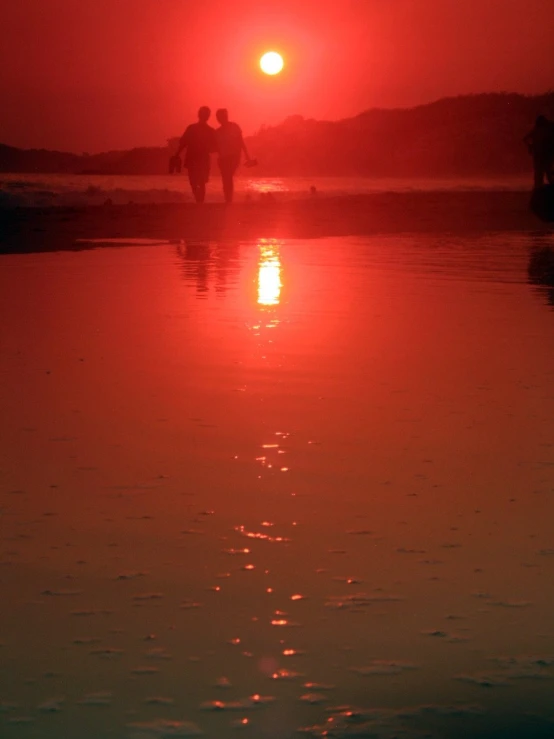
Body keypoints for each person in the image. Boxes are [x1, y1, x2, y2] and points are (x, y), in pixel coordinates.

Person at [175, 106, 216, 203]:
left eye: (205, 114)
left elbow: (183, 143)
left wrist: (177, 154)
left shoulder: (206, 130)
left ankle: (199, 202)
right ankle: (200, 201)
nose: (203, 116)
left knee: (197, 182)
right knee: (197, 182)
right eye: (203, 114)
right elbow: (183, 143)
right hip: (196, 159)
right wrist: (177, 154)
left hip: (198, 159)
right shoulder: (196, 129)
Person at [215, 109, 251, 203]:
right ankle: (228, 199)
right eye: (219, 117)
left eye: (223, 116)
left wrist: (247, 155)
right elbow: (216, 147)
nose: (221, 119)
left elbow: (241, 141)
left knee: (228, 177)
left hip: (233, 157)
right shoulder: (218, 132)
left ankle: (228, 199)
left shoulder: (234, 126)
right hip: (223, 158)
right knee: (226, 178)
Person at [523, 115, 554, 189]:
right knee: (545, 173)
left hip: (542, 155)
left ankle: (539, 190)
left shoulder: (540, 129)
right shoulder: (541, 129)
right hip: (543, 155)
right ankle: (541, 190)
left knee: (542, 174)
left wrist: (531, 147)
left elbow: (525, 139)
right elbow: (526, 139)